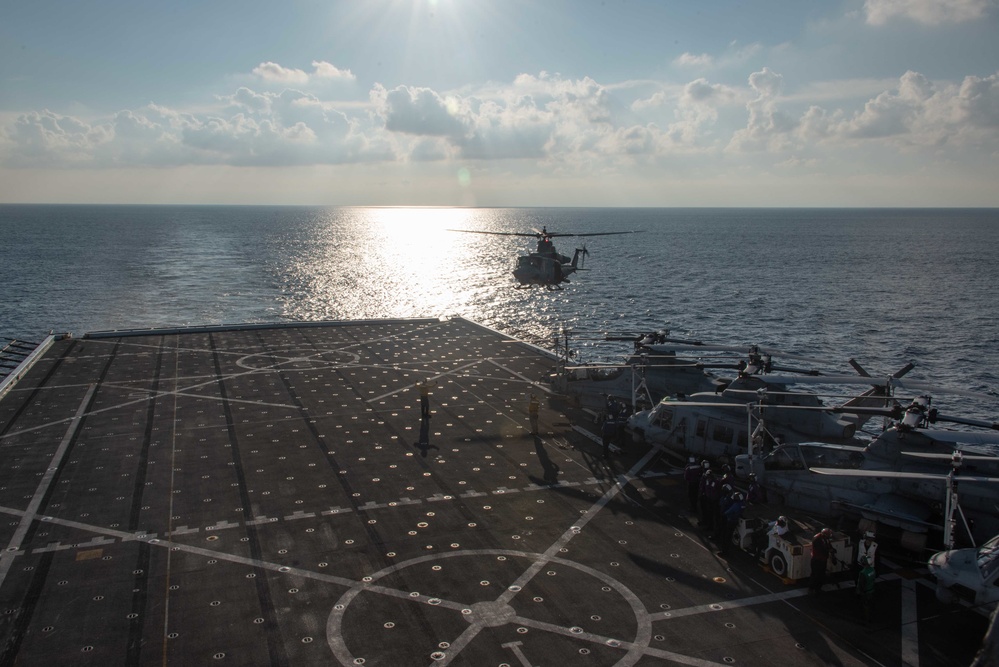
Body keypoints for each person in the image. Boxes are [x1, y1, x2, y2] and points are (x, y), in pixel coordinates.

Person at [809, 527, 838, 594]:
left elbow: (828, 546)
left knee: (821, 574)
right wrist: (829, 550)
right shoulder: (817, 539)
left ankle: (818, 588)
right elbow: (821, 550)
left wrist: (832, 549)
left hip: (823, 560)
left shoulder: (826, 539)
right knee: (815, 574)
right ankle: (811, 588)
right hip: (816, 560)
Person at [855, 556, 876, 624]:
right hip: (872, 590)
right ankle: (871, 617)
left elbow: (861, 584)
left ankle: (866, 620)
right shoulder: (872, 570)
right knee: (870, 605)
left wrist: (859, 591)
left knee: (865, 606)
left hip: (866, 592)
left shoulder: (863, 573)